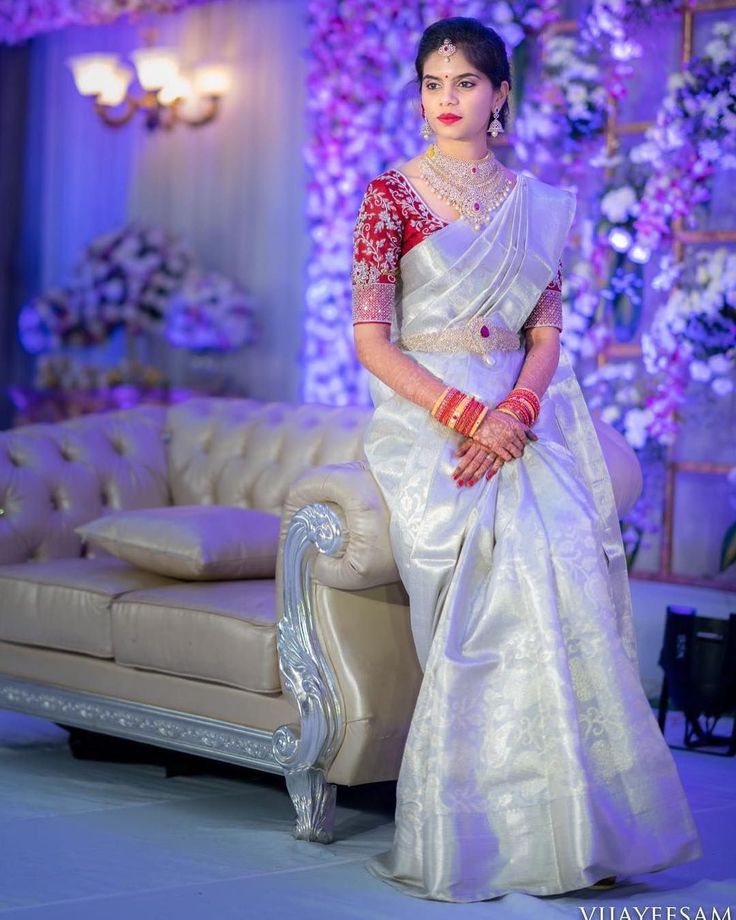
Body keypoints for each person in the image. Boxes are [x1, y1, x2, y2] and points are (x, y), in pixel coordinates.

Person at [351, 15, 703, 904]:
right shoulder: (389, 196)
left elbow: (545, 334)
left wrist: (513, 407)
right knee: (477, 592)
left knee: (565, 561)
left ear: (500, 94)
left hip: (522, 416)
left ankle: (580, 827)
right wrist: (467, 413)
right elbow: (370, 342)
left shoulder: (533, 205)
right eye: (432, 84)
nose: (446, 100)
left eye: (465, 83)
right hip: (427, 417)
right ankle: (483, 829)